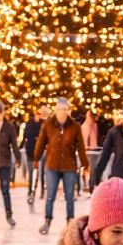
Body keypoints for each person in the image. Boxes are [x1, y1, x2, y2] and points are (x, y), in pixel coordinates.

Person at [34, 98, 88, 236]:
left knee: (70, 196)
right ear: (56, 111)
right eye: (59, 110)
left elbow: (81, 147)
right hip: (52, 165)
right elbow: (41, 142)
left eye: (64, 110)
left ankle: (70, 222)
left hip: (69, 166)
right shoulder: (48, 124)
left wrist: (85, 163)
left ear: (68, 111)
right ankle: (47, 220)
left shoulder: (75, 126)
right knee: (50, 195)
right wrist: (36, 157)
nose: (62, 112)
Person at [22, 106, 46, 210]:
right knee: (31, 172)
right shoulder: (29, 123)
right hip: (30, 151)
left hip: (40, 152)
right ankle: (31, 191)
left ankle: (39, 190)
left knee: (40, 173)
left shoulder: (43, 124)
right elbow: (25, 136)